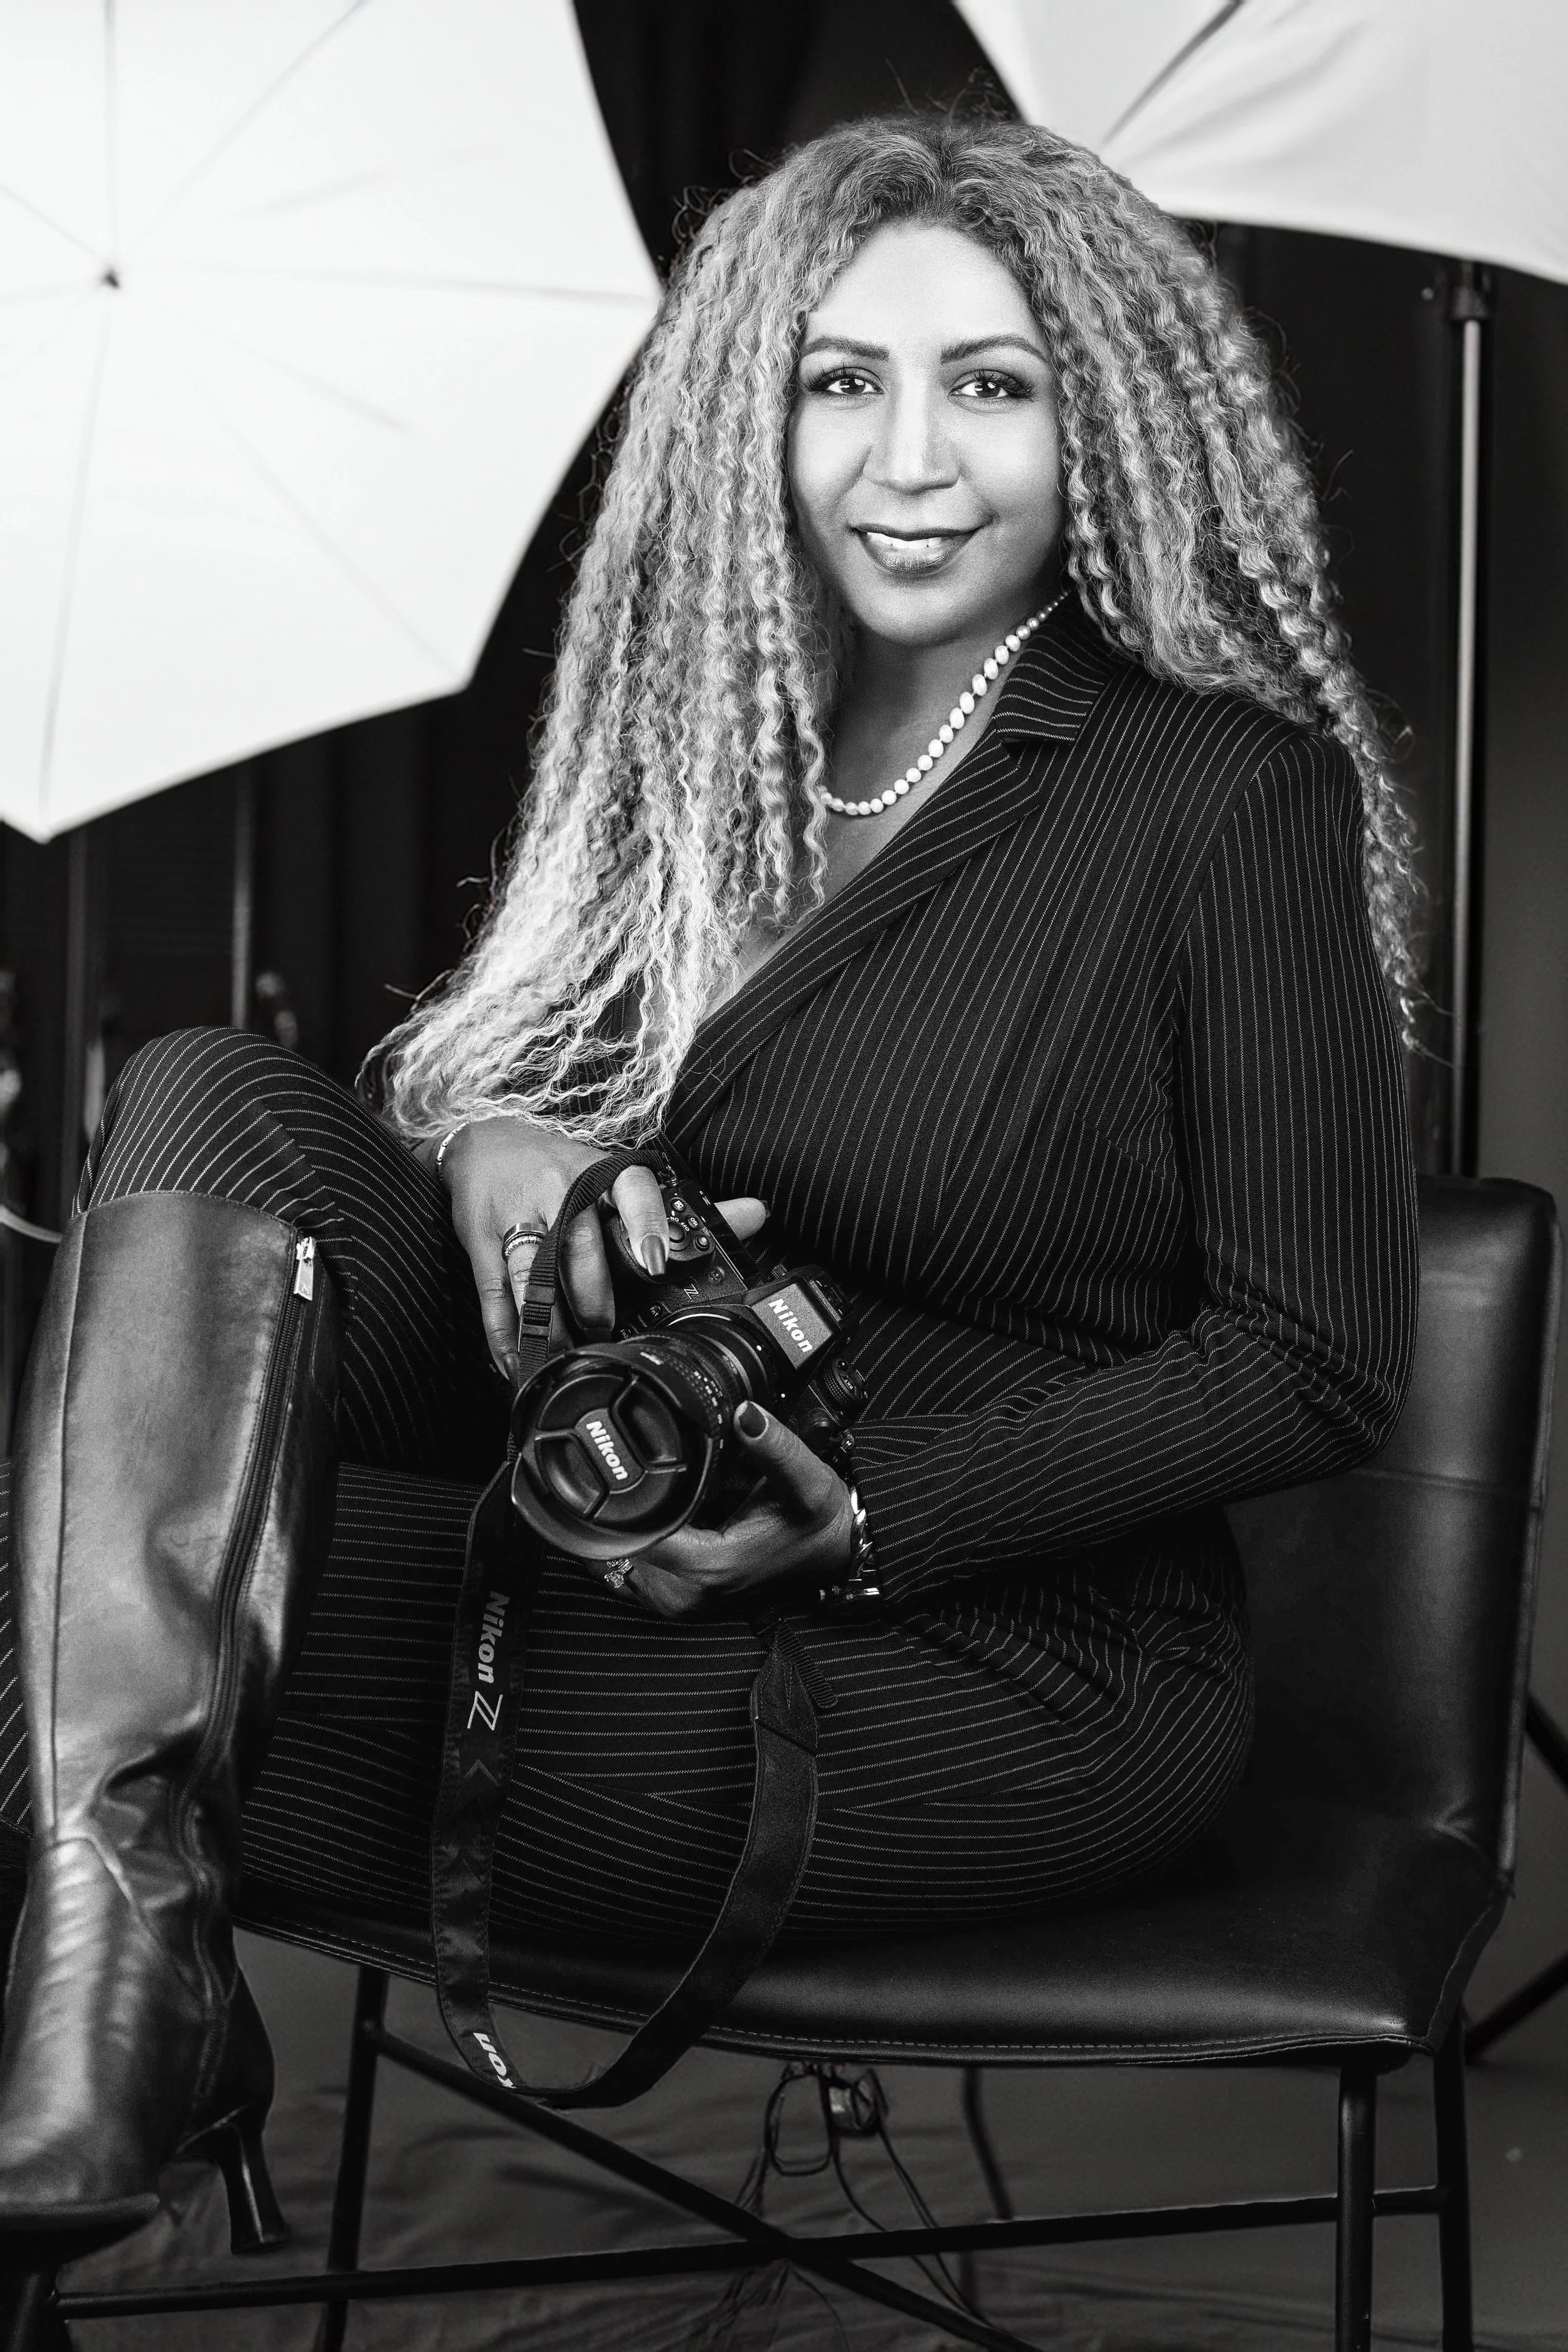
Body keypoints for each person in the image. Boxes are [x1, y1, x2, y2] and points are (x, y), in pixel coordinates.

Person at [0, 114, 1417, 2246]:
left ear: (1100, 418)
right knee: (208, 1095)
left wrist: (871, 1522)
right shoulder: (704, 760)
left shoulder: (1220, 800)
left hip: (992, 1653)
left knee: (73, 1621)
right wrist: (496, 1143)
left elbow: (1317, 1359)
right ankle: (128, 2000)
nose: (909, 459)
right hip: (624, 1524)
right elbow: (457, 1174)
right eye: (840, 381)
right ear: (754, 414)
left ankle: (115, 2038)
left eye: (992, 383)